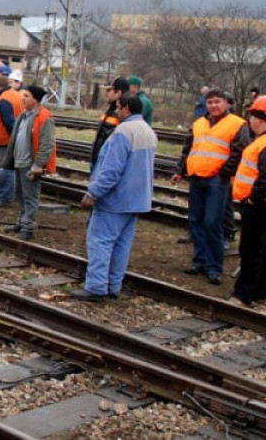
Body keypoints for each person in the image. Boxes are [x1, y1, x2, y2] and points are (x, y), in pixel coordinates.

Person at [73, 93, 157, 301]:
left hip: (116, 200)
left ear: (126, 108)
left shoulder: (123, 133)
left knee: (100, 242)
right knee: (122, 245)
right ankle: (113, 286)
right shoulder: (148, 131)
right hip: (137, 200)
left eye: (118, 107)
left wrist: (93, 193)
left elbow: (111, 171)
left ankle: (95, 287)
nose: (116, 111)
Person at [171, 88, 250, 285]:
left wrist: (224, 173)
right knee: (196, 220)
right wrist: (180, 170)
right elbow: (188, 148)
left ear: (226, 103)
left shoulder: (237, 124)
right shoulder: (199, 123)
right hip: (197, 177)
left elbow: (240, 151)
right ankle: (199, 261)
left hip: (217, 180)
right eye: (210, 102)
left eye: (217, 102)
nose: (214, 106)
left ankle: (214, 267)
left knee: (212, 222)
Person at [1, 85, 57, 240]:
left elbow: (47, 144)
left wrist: (38, 164)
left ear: (35, 99)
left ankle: (28, 227)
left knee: (30, 196)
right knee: (20, 194)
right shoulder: (24, 115)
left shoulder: (44, 117)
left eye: (26, 96)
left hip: (30, 163)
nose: (22, 99)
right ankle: (22, 221)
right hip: (19, 161)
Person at [229, 96, 266, 307]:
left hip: (257, 205)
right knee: (260, 247)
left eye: (252, 115)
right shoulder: (260, 141)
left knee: (251, 249)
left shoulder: (263, 144)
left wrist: (254, 197)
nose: (250, 120)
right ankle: (259, 289)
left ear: (261, 119)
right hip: (258, 203)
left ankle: (243, 294)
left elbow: (265, 177)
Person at [0, 73, 24, 206]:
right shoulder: (15, 94)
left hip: (6, 140)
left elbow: (9, 122)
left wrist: (14, 138)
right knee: (8, 169)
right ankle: (5, 195)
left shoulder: (3, 99)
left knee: (3, 169)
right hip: (11, 138)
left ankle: (4, 197)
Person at [92, 76, 129, 171]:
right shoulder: (110, 111)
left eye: (109, 90)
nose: (106, 93)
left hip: (107, 166)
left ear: (119, 93)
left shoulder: (123, 115)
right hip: (100, 163)